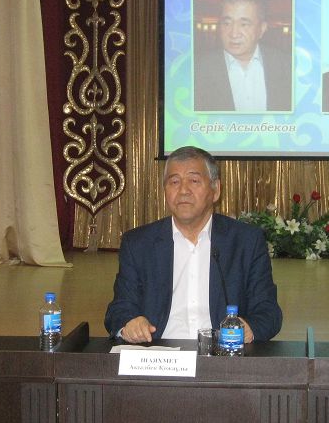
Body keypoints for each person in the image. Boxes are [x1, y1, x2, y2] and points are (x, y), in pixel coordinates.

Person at [105, 146, 282, 343]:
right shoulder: (138, 243)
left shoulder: (246, 241)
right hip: (159, 352)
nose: (183, 190)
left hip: (222, 352)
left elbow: (268, 311)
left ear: (216, 190)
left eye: (194, 181)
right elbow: (119, 309)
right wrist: (129, 323)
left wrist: (250, 328)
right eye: (174, 182)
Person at [193, 0, 293, 112]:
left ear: (262, 29)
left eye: (244, 24)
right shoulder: (197, 69)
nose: (234, 33)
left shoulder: (287, 66)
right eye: (227, 23)